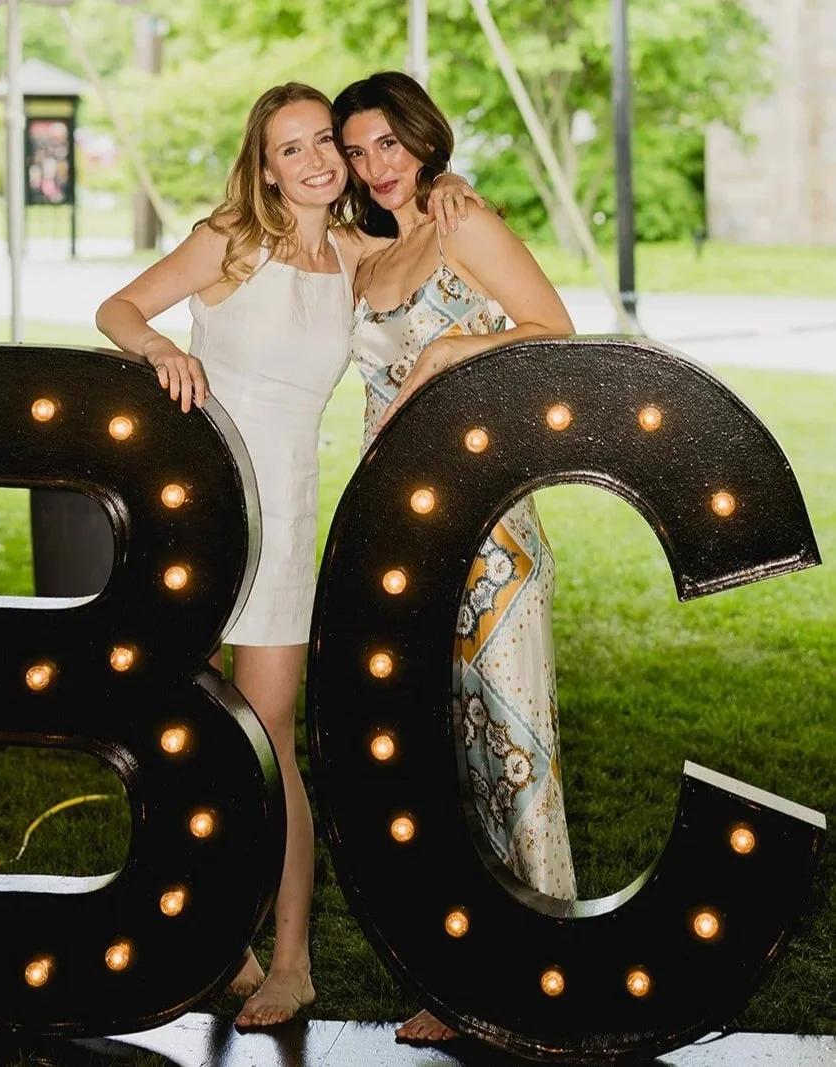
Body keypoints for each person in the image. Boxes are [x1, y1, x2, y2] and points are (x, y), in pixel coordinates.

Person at [96, 82, 478, 1030]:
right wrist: (158, 349)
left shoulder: (356, 256)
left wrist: (450, 185)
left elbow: (435, 249)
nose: (313, 161)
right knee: (197, 732)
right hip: (197, 508)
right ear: (263, 166)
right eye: (291, 148)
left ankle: (291, 960)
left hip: (288, 517)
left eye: (324, 145)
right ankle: (222, 935)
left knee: (266, 735)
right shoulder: (229, 240)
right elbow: (119, 306)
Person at [333, 70, 578, 1043]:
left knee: (514, 753)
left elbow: (552, 328)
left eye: (387, 145)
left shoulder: (461, 223)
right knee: (435, 761)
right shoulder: (362, 254)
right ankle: (459, 978)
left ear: (422, 141)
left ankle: (548, 969)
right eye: (356, 152)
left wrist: (441, 357)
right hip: (399, 527)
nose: (372, 166)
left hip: (489, 528)